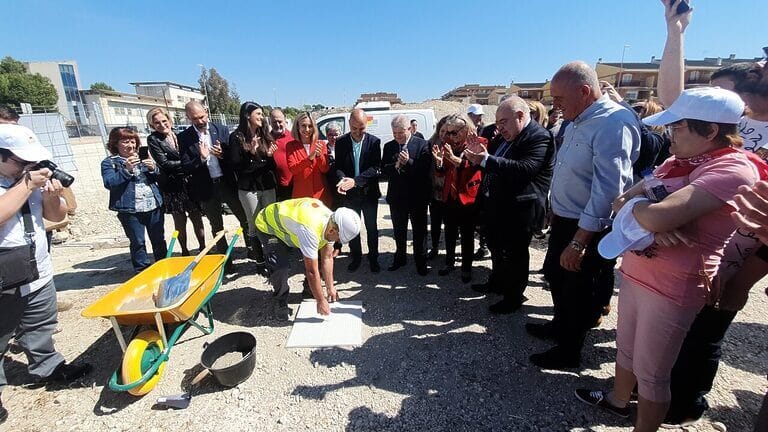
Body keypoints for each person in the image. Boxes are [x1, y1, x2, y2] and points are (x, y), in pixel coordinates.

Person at [575, 86, 759, 432]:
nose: (669, 133)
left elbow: (653, 214)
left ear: (710, 131)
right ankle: (617, 399)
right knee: (627, 347)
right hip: (639, 270)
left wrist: (644, 214)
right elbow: (620, 201)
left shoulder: (733, 169)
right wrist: (647, 218)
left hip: (673, 286)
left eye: (677, 126)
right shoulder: (680, 162)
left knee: (652, 371)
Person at [527, 61, 640, 370]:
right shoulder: (578, 119)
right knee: (556, 276)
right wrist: (554, 207)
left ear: (584, 91)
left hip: (587, 226)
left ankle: (569, 351)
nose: (555, 105)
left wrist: (579, 242)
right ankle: (560, 326)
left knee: (577, 288)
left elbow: (608, 190)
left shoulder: (612, 123)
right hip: (566, 219)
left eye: (559, 98)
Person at [0, 125, 92, 424]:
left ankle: (48, 367)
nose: (30, 166)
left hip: (36, 269)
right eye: (22, 161)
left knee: (40, 323)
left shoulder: (27, 181)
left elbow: (56, 216)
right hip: (4, 275)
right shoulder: (22, 183)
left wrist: (52, 196)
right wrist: (26, 185)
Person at [465, 96, 554, 312]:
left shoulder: (538, 136)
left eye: (503, 122)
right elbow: (490, 160)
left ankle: (514, 297)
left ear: (520, 116)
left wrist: (485, 159)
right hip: (498, 204)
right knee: (496, 247)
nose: (500, 127)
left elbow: (526, 168)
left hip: (520, 209)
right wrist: (478, 156)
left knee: (515, 254)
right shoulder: (505, 136)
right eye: (497, 123)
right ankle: (496, 283)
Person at [254, 198, 361, 320]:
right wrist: (320, 300)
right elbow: (311, 271)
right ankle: (280, 300)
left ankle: (309, 290)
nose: (338, 242)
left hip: (290, 229)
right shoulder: (310, 229)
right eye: (338, 239)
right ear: (332, 230)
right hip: (268, 226)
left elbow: (327, 258)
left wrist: (330, 287)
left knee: (317, 256)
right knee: (281, 267)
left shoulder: (332, 222)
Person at [179, 101, 249, 264]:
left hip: (227, 183)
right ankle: (225, 260)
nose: (200, 121)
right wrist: (201, 158)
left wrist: (223, 154)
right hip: (206, 187)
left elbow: (234, 158)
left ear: (206, 112)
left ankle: (252, 251)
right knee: (216, 225)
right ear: (188, 117)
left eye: (201, 116)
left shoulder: (222, 130)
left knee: (244, 218)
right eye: (195, 119)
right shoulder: (184, 137)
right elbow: (185, 166)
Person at [101, 127, 167, 272]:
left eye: (132, 141)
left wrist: (153, 169)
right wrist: (126, 170)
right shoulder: (110, 163)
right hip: (130, 210)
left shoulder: (143, 157)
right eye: (125, 142)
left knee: (158, 239)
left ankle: (163, 267)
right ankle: (142, 271)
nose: (130, 145)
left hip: (153, 205)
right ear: (115, 143)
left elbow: (159, 178)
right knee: (138, 242)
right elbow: (109, 183)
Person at [432, 114, 485, 283]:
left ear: (465, 129)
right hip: (450, 195)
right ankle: (449, 262)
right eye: (448, 132)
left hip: (468, 197)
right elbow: (442, 172)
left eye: (454, 132)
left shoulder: (479, 142)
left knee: (467, 234)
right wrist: (439, 163)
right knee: (449, 232)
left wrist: (454, 159)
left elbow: (474, 168)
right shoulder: (448, 144)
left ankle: (466, 268)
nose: (450, 136)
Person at [146, 107, 206, 257]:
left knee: (196, 217)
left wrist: (190, 163)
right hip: (172, 186)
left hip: (189, 183)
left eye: (164, 121)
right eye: (157, 123)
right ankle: (184, 251)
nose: (162, 125)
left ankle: (203, 248)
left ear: (170, 120)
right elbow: (164, 163)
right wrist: (188, 163)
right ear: (152, 125)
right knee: (180, 221)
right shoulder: (153, 140)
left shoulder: (179, 135)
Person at [227, 102, 277, 273]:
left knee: (271, 223)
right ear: (247, 115)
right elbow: (237, 167)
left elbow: (271, 167)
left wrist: (268, 156)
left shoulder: (265, 135)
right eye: (258, 114)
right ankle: (260, 262)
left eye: (262, 114)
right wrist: (251, 154)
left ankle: (273, 259)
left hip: (267, 186)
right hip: (249, 189)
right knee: (254, 225)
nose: (262, 117)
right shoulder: (236, 137)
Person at [381, 114, 432, 275]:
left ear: (409, 129)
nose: (397, 136)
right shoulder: (389, 146)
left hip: (417, 197)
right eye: (394, 133)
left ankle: (421, 261)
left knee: (419, 231)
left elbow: (425, 170)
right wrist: (396, 165)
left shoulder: (422, 144)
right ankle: (400, 257)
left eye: (400, 133)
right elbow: (383, 169)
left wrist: (408, 162)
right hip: (397, 197)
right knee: (399, 230)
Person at [333, 109, 382, 273]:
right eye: (354, 129)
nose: (358, 132)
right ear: (349, 124)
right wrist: (342, 179)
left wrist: (355, 181)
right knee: (352, 228)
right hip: (350, 195)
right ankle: (356, 257)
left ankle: (373, 258)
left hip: (368, 193)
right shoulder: (341, 142)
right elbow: (338, 166)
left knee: (371, 227)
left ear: (366, 124)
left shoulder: (374, 142)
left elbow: (376, 168)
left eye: (362, 128)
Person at [286, 112, 331, 206]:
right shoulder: (290, 146)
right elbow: (293, 169)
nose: (307, 129)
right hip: (301, 195)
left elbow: (325, 169)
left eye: (310, 126)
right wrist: (309, 159)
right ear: (297, 127)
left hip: (319, 196)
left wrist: (319, 156)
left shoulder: (321, 144)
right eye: (303, 126)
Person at [427, 115, 451, 260]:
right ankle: (435, 247)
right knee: (435, 222)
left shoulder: (455, 145)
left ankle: (450, 253)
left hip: (450, 191)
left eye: (447, 132)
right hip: (435, 190)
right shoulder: (431, 143)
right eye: (441, 131)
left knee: (450, 224)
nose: (443, 134)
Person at [270, 108, 295, 201]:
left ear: (285, 120)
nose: (277, 125)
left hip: (293, 184)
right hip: (275, 186)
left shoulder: (293, 137)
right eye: (274, 122)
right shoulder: (267, 138)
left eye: (280, 121)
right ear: (270, 122)